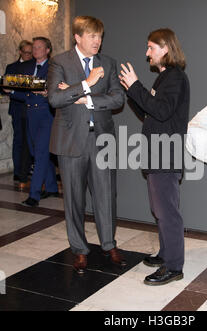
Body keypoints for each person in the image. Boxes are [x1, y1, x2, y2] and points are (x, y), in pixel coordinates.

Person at [47, 16, 126, 273]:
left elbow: (117, 99)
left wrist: (86, 99)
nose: (97, 41)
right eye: (92, 36)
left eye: (100, 36)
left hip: (101, 139)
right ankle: (79, 250)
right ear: (77, 37)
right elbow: (55, 98)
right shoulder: (60, 61)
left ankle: (108, 244)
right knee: (74, 199)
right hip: (70, 141)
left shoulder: (109, 63)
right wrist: (86, 84)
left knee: (106, 196)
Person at [119, 28, 190, 285]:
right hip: (156, 153)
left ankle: (174, 266)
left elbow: (160, 111)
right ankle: (166, 254)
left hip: (165, 154)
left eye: (151, 47)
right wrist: (132, 90)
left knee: (167, 211)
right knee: (159, 209)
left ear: (165, 49)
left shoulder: (175, 78)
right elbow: (150, 112)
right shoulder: (164, 78)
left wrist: (136, 85)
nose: (147, 53)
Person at [10, 37, 58, 207]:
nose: (35, 49)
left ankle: (34, 195)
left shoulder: (53, 67)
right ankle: (52, 187)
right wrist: (12, 92)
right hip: (30, 114)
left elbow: (56, 90)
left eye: (39, 47)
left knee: (40, 154)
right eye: (34, 47)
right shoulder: (29, 68)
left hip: (46, 115)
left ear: (47, 50)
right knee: (35, 151)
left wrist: (48, 93)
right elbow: (27, 94)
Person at [4, 40, 33, 187]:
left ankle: (27, 169)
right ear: (20, 52)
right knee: (19, 140)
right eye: (26, 52)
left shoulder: (35, 65)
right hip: (17, 108)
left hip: (32, 109)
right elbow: (6, 88)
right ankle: (18, 171)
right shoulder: (12, 67)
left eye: (31, 52)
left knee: (31, 141)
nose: (29, 55)